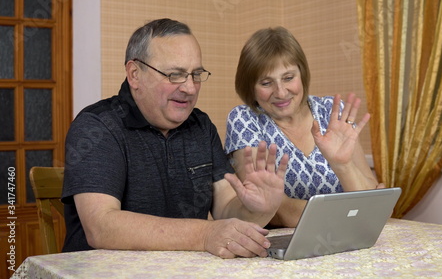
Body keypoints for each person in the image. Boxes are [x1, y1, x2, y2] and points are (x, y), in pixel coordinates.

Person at [61, 18, 289, 259]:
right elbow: (101, 227)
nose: (190, 88)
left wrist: (260, 209)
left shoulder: (200, 125)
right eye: (175, 75)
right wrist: (204, 234)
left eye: (196, 75)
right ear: (135, 74)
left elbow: (226, 211)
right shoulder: (97, 126)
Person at [225, 26, 383, 228]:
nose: (281, 92)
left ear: (302, 74)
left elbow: (372, 202)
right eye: (266, 83)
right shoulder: (244, 120)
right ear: (250, 87)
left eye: (288, 78)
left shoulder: (330, 111)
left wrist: (344, 166)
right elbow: (275, 211)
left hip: (350, 239)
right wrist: (353, 214)